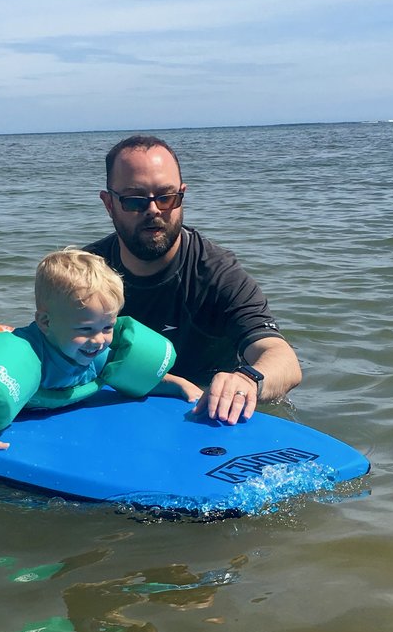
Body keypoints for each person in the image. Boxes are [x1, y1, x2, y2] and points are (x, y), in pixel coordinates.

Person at [0, 248, 202, 478]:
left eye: (107, 327)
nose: (99, 340)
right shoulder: (31, 360)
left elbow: (139, 377)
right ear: (46, 322)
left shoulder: (98, 351)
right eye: (85, 330)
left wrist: (182, 387)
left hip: (8, 345)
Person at [84, 134, 302, 426]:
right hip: (119, 411)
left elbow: (282, 358)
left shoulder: (216, 274)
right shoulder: (87, 273)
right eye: (135, 201)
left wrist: (248, 379)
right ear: (109, 204)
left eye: (166, 197)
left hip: (202, 415)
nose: (154, 210)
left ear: (182, 195)